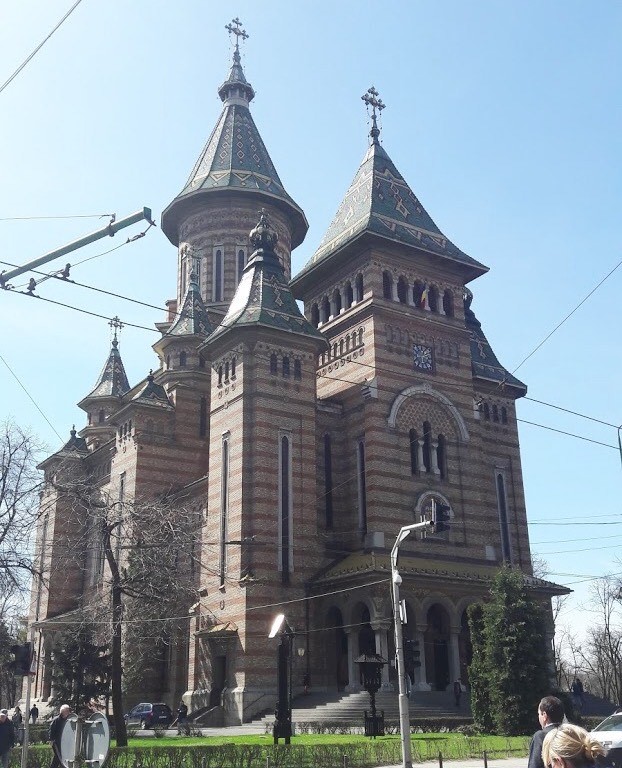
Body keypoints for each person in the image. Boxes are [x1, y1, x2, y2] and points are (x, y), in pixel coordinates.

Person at [528, 695, 565, 768]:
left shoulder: (540, 736)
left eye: (539, 714)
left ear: (544, 715)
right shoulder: (570, 734)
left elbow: (535, 765)